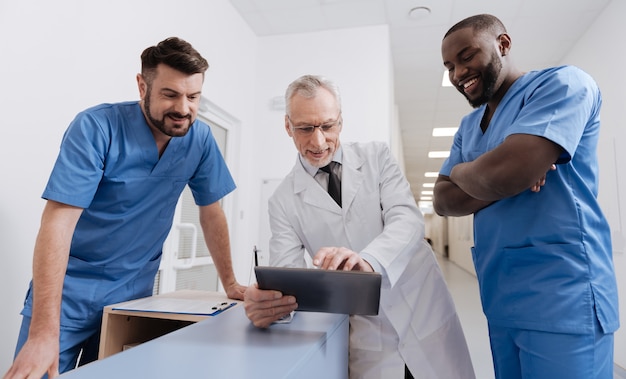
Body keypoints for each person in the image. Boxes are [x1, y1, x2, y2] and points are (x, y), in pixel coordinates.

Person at [4, 37, 246, 379]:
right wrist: (44, 330)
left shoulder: (200, 140)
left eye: (193, 97)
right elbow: (58, 222)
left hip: (133, 297)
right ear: (142, 85)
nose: (183, 108)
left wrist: (231, 283)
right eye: (170, 94)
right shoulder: (96, 127)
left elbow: (211, 211)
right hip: (68, 293)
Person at [244, 74, 475, 379]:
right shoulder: (282, 200)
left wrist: (368, 260)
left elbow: (407, 219)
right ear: (288, 126)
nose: (318, 141)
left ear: (340, 122)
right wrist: (271, 305)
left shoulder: (377, 157)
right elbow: (290, 281)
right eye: (304, 128)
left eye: (327, 126)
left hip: (422, 310)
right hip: (367, 333)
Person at [434, 14, 619, 379]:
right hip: (501, 299)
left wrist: (483, 175)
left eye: (467, 56)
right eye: (450, 66)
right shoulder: (470, 126)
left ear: (502, 44)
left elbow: (509, 173)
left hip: (564, 297)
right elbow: (442, 200)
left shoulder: (563, 84)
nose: (458, 73)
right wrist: (485, 176)